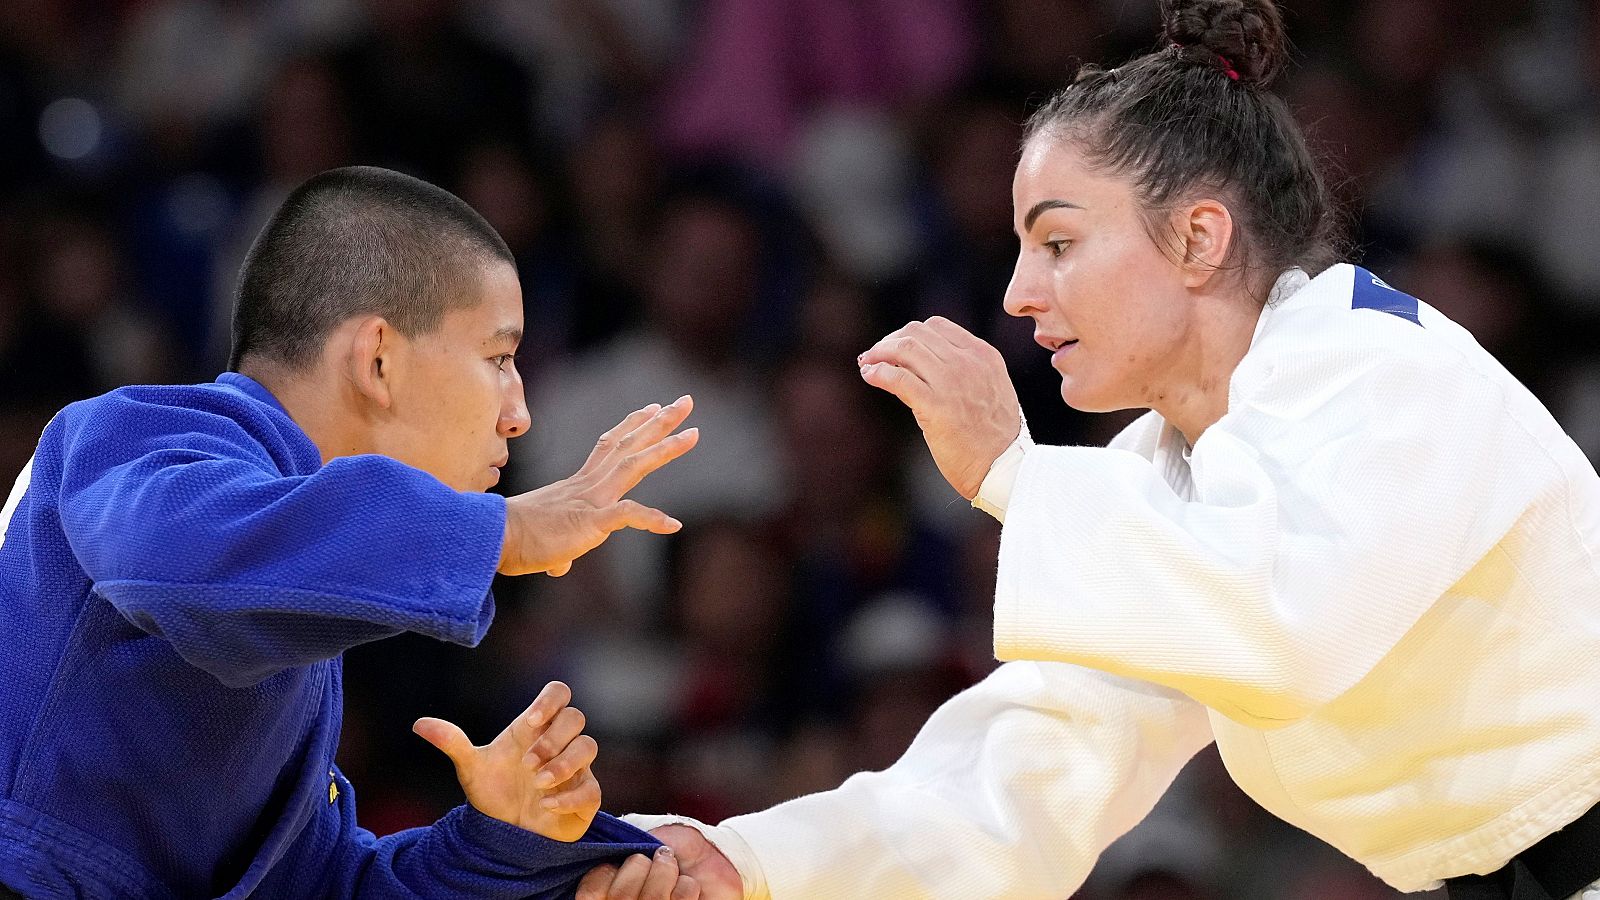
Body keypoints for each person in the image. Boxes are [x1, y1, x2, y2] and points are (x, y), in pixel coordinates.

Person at [580, 1, 1600, 898]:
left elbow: (1287, 625)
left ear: (1198, 240)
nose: (1021, 295)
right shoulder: (1165, 474)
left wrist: (1011, 476)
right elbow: (1024, 770)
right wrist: (754, 862)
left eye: (1059, 243)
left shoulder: (1376, 366)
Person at [0, 166, 704, 899]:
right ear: (376, 359)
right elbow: (179, 552)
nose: (518, 413)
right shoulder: (136, 431)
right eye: (498, 358)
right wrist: (503, 531)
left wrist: (504, 840)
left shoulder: (301, 597)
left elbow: (325, 886)